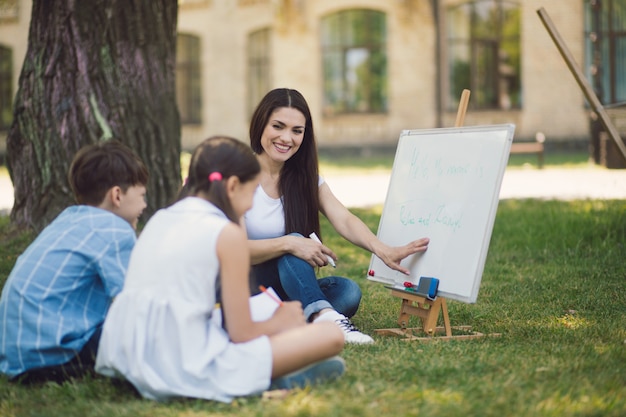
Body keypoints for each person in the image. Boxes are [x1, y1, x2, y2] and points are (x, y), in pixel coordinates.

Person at [95, 136, 345, 402]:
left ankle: (270, 372)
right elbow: (241, 333)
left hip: (129, 354)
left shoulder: (162, 217)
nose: (250, 206)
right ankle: (262, 378)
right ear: (234, 186)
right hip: (180, 366)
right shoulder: (226, 233)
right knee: (331, 335)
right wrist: (279, 321)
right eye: (251, 194)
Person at [245, 88, 430, 344]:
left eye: (297, 131)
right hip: (245, 289)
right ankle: (324, 317)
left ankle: (297, 319)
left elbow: (343, 219)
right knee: (295, 242)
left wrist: (382, 250)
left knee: (348, 291)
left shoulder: (304, 180)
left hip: (284, 291)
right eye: (278, 126)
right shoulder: (238, 175)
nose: (286, 138)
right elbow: (226, 249)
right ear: (261, 125)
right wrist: (290, 243)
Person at [0, 140, 149, 384]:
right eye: (142, 196)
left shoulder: (68, 219)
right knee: (141, 328)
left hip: (16, 355)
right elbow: (133, 299)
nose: (144, 205)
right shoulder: (115, 231)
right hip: (54, 357)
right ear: (117, 195)